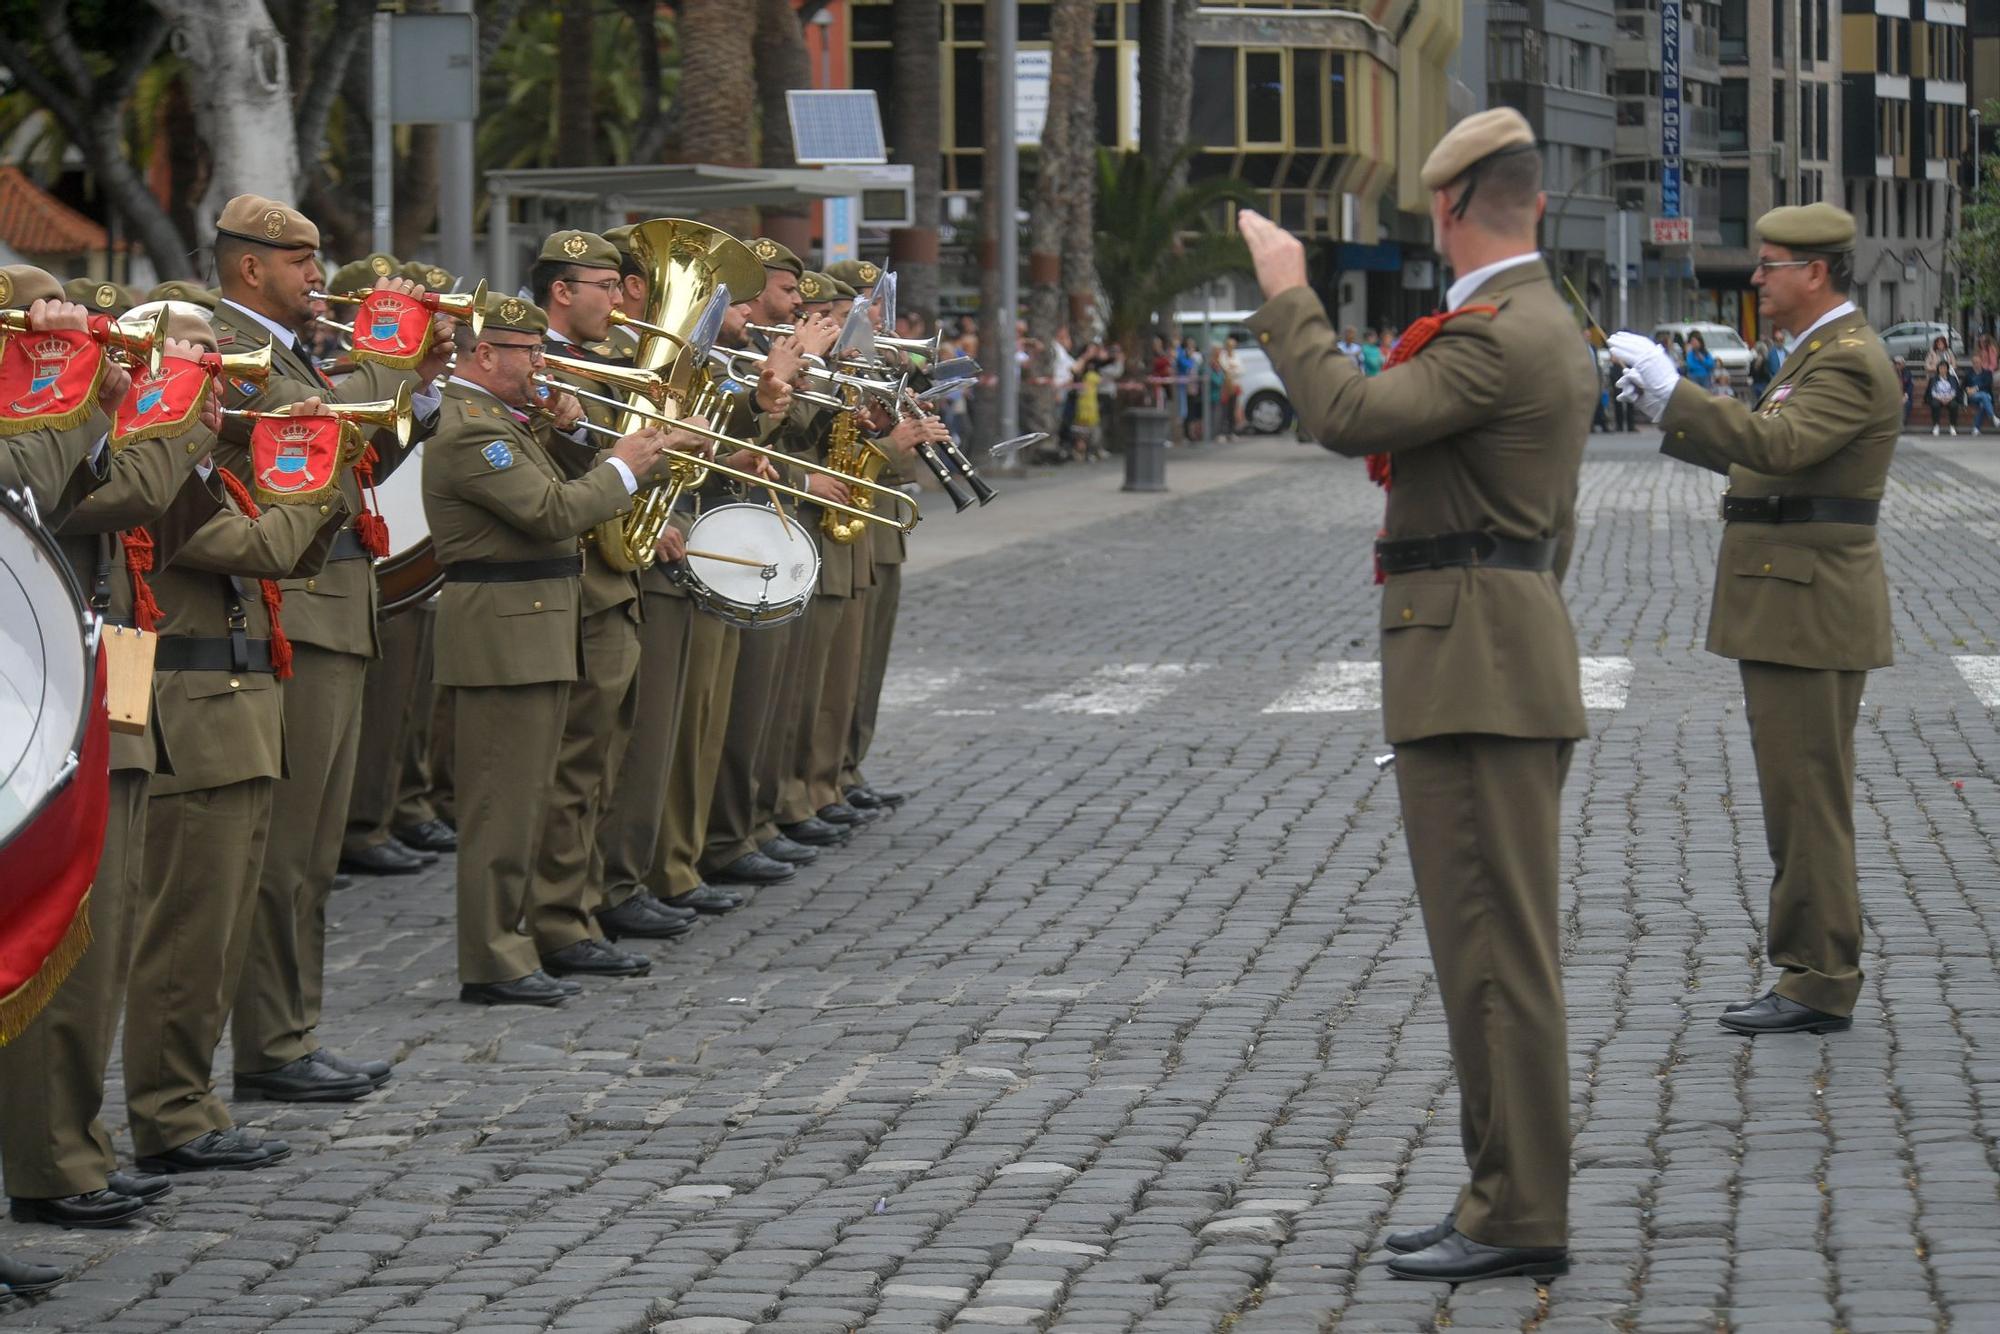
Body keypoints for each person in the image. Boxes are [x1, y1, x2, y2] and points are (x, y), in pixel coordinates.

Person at [1241, 105, 1590, 1285]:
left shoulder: (1493, 335)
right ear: (1530, 199)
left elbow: (1344, 413)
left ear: (1448, 207)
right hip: (1497, 652)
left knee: (1492, 953)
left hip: (1473, 669)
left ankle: (1514, 1208)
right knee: (1491, 950)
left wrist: (1288, 288)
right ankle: (1502, 1192)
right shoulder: (1543, 320)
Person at [1610, 201, 1898, 1038]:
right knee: (1799, 797)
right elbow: (1769, 449)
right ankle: (1812, 968)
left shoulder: (1844, 361)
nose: (1757, 279)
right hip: (1793, 601)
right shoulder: (1820, 352)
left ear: (1814, 272)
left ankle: (1818, 978)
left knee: (1806, 800)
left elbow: (1775, 448)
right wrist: (1670, 411)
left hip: (1806, 606)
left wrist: (1679, 393)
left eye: (1769, 266)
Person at [213, 195, 444, 1106]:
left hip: (339, 602)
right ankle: (270, 1043)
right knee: (286, 848)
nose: (319, 276)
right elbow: (290, 443)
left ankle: (292, 1032)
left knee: (309, 851)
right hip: (295, 606)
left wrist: (412, 389)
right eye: (302, 260)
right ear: (251, 267)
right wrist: (387, 364)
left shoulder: (293, 348)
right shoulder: (228, 349)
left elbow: (359, 459)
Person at [422, 293, 687, 1007]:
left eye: (542, 350)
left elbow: (561, 487)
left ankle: (529, 938)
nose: (543, 364)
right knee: (500, 807)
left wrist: (595, 442)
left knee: (533, 797)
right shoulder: (474, 431)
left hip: (534, 626)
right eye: (528, 353)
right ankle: (494, 959)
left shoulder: (508, 423)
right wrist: (625, 464)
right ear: (485, 356)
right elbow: (552, 511)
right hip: (504, 634)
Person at [1926, 335, 1962, 436]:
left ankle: (1952, 426)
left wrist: (1949, 398)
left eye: (1942, 343)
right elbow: (1932, 390)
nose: (1940, 345)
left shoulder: (1949, 353)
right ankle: (1936, 426)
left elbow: (1954, 389)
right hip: (1938, 395)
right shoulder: (1932, 353)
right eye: (1938, 343)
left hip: (1949, 396)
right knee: (1935, 404)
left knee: (1954, 405)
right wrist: (1940, 398)